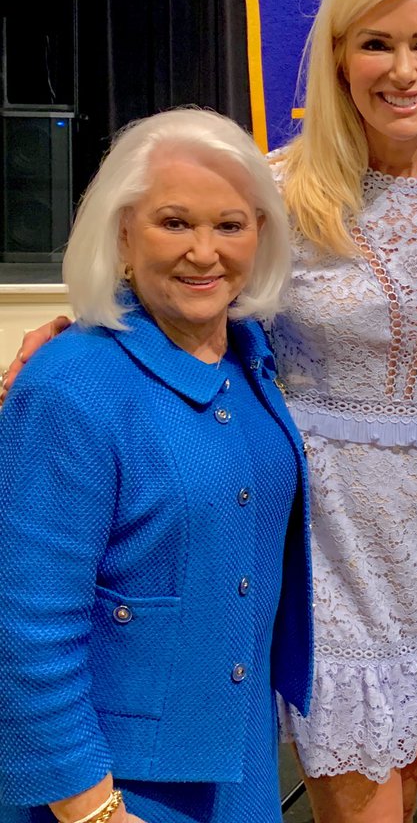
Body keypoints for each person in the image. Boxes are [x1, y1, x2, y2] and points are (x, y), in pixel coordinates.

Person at [1, 0, 417, 823]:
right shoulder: (278, 187)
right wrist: (69, 333)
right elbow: (176, 280)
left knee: (407, 787)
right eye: (375, 42)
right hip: (323, 537)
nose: (403, 69)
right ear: (335, 57)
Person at [0, 108, 312, 823]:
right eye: (175, 223)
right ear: (121, 231)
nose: (204, 252)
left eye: (230, 225)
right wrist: (92, 809)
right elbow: (26, 626)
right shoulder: (67, 388)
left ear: (260, 233)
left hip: (237, 763)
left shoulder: (249, 354)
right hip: (115, 786)